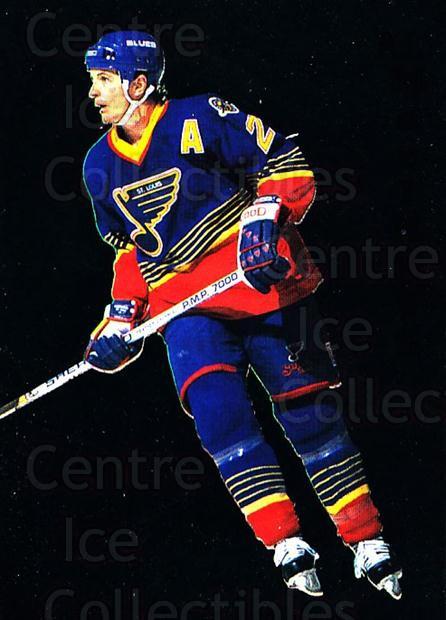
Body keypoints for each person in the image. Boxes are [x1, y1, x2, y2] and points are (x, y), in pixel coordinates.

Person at [82, 30, 402, 598]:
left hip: (262, 284)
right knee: (219, 417)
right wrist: (120, 316)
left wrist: (265, 216)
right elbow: (129, 250)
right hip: (185, 307)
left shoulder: (202, 115)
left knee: (310, 417)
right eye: (93, 80)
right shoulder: (97, 165)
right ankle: (284, 539)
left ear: (138, 84)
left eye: (104, 80)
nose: (93, 93)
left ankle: (365, 537)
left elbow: (287, 165)